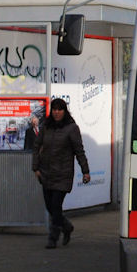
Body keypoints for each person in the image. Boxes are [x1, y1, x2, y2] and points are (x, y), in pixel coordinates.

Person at [31, 97, 91, 249]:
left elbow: (79, 151)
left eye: (60, 109)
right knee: (50, 207)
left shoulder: (71, 128)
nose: (56, 112)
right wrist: (36, 168)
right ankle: (66, 226)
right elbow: (37, 146)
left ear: (65, 111)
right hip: (46, 173)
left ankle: (53, 237)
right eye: (54, 109)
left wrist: (85, 171)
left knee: (56, 206)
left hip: (63, 174)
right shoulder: (46, 127)